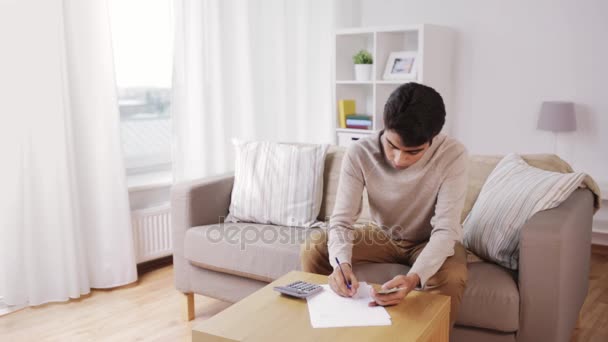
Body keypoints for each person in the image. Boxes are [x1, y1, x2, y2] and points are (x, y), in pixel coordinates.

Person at [301, 82, 468, 327]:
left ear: (432, 139)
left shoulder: (453, 155)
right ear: (384, 125)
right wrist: (341, 264)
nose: (399, 159)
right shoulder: (360, 152)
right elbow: (342, 220)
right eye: (392, 146)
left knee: (452, 276)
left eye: (413, 152)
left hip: (430, 239)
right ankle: (323, 326)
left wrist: (413, 278)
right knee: (315, 247)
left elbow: (446, 230)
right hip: (382, 234)